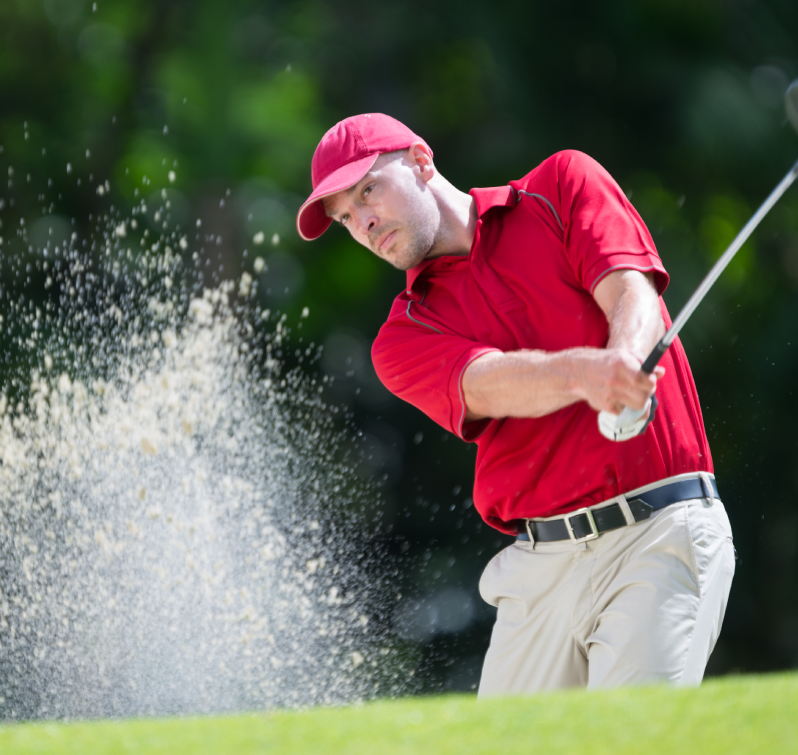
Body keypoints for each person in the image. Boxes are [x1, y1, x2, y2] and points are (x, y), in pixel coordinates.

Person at [295, 113, 734, 694]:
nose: (365, 222)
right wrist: (586, 373)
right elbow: (486, 382)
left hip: (657, 533)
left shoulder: (560, 186)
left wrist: (626, 361)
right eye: (346, 217)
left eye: (368, 190)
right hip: (539, 567)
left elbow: (631, 291)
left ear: (422, 161)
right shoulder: (403, 335)